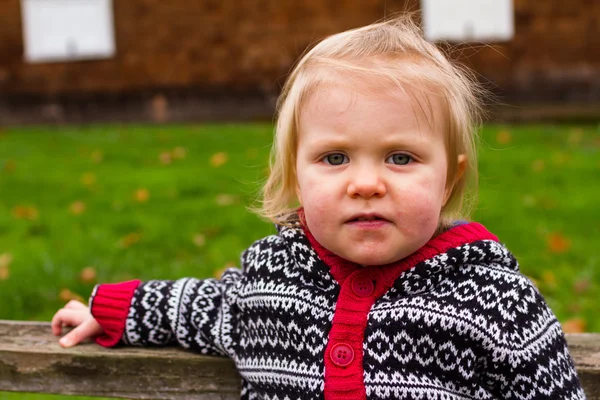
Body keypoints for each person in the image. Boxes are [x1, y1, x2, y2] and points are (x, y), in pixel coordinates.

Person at [51, 15, 586, 400]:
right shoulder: (269, 282)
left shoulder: (497, 302)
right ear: (294, 177)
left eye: (400, 157)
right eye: (335, 158)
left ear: (450, 180)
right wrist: (113, 310)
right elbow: (204, 307)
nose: (366, 183)